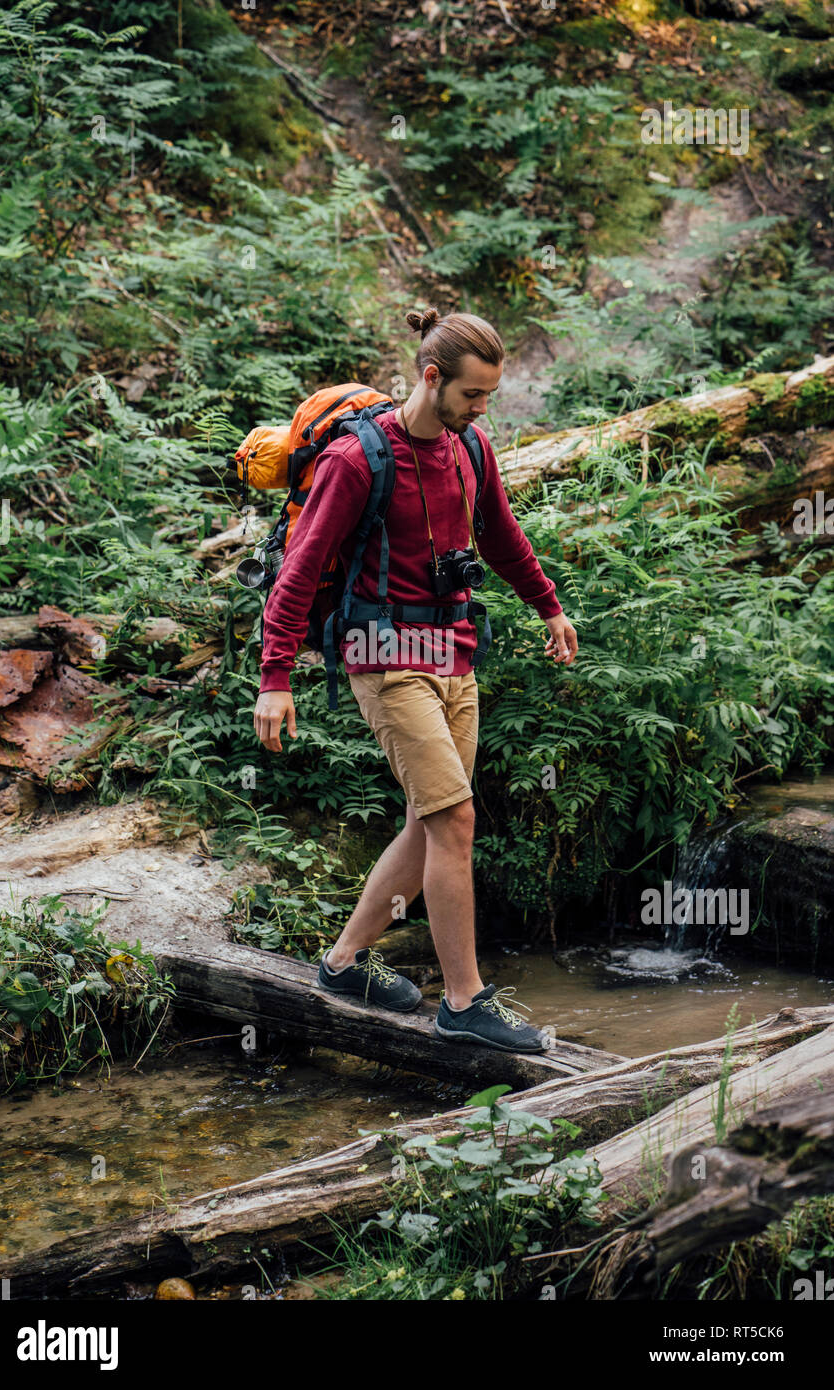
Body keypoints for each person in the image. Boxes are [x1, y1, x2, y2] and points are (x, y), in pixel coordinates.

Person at [253, 307, 578, 1052]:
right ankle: (463, 1004)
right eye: (471, 395)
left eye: (489, 397)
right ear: (431, 379)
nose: (479, 410)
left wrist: (547, 606)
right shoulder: (355, 461)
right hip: (380, 650)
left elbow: (498, 533)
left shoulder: (470, 447)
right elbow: (298, 571)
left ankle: (341, 963)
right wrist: (275, 677)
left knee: (428, 820)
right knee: (454, 820)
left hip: (453, 647)